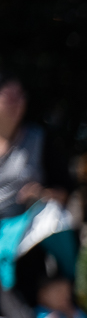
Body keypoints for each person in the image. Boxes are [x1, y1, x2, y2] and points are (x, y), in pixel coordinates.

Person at [0, 72, 43, 221]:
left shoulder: (37, 140)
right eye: (10, 98)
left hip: (21, 227)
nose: (17, 103)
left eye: (20, 96)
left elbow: (64, 189)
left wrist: (41, 194)